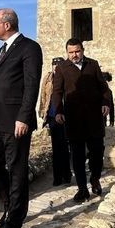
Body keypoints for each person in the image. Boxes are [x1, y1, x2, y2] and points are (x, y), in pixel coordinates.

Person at [0, 8, 43, 228]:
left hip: (15, 121)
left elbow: (31, 84)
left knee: (17, 170)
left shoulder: (29, 48)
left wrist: (24, 117)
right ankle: (9, 204)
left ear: (7, 25)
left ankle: (14, 224)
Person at [51, 38, 111, 203]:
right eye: (70, 52)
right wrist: (58, 111)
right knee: (77, 156)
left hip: (94, 118)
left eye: (77, 51)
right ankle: (82, 189)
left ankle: (95, 179)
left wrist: (105, 103)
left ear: (82, 50)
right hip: (73, 118)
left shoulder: (93, 64)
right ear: (67, 52)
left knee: (97, 153)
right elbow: (57, 92)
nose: (74, 55)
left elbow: (103, 87)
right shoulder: (62, 68)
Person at [39, 57, 72, 186]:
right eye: (54, 65)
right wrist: (42, 113)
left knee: (66, 147)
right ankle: (57, 177)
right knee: (56, 148)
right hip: (52, 116)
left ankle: (67, 174)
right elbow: (43, 95)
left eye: (59, 65)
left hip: (66, 117)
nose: (56, 67)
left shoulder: (68, 77)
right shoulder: (47, 78)